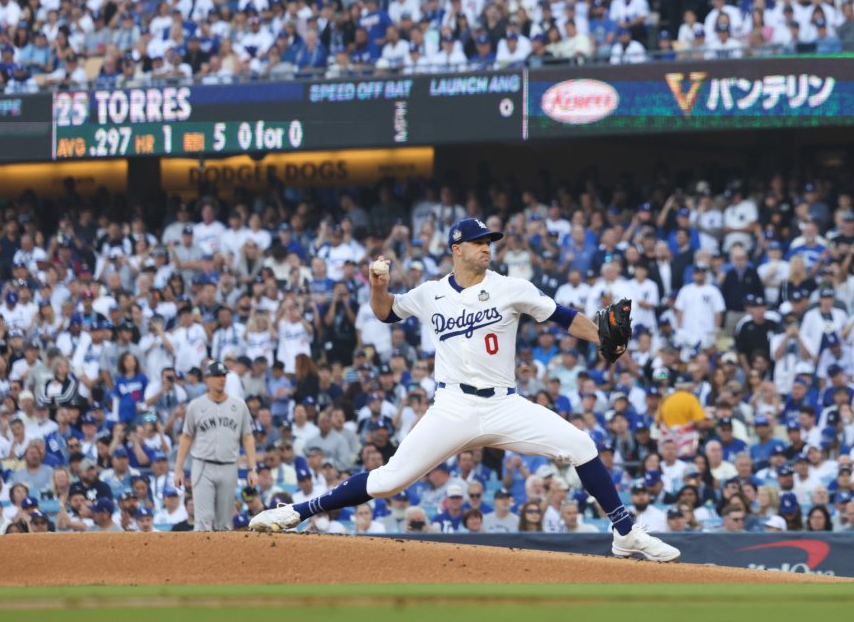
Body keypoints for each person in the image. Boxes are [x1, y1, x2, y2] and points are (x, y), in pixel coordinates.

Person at [249, 218, 680, 562]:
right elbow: (385, 314)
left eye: (489, 241)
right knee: (387, 482)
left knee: (582, 445)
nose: (487, 247)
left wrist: (602, 339)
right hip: (452, 405)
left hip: (504, 405)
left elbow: (565, 317)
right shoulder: (431, 293)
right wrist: (378, 286)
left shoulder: (511, 287)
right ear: (457, 249)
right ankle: (293, 513)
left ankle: (625, 533)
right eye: (478, 242)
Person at [174, 360, 256, 531]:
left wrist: (252, 468)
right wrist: (179, 469)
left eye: (224, 375)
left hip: (229, 466)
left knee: (225, 523)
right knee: (202, 522)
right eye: (217, 375)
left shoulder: (239, 405)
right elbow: (186, 437)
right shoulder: (196, 406)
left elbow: (247, 437)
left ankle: (222, 558)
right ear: (207, 379)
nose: (222, 379)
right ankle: (200, 558)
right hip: (202, 465)